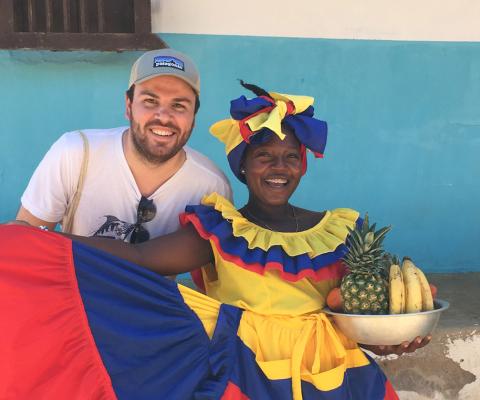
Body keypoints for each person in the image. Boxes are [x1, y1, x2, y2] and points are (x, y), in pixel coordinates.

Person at [1, 82, 429, 399]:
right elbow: (137, 257)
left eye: (290, 158)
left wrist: (392, 336)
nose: (277, 167)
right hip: (244, 372)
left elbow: (360, 310)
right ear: (244, 167)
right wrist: (39, 244)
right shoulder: (221, 230)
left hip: (336, 375)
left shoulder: (339, 231)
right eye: (264, 157)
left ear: (303, 166)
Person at [16, 48, 231, 242]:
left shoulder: (211, 187)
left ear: (194, 116)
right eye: (150, 101)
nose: (164, 117)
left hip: (155, 288)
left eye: (179, 105)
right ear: (128, 106)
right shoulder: (76, 153)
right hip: (72, 285)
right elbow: (25, 244)